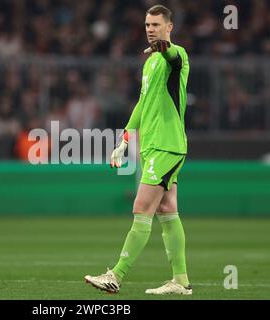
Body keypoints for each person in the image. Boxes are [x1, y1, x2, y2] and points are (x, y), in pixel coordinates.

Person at [84, 5, 192, 295]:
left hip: (167, 145)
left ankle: (116, 276)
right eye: (147, 24)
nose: (150, 29)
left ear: (169, 27)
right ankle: (180, 280)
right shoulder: (149, 63)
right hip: (152, 146)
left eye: (156, 24)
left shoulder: (176, 55)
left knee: (141, 208)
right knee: (167, 210)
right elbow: (143, 104)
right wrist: (125, 140)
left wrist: (163, 47)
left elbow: (171, 54)